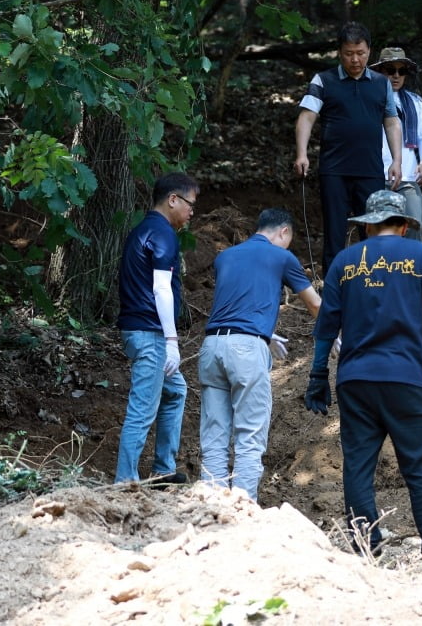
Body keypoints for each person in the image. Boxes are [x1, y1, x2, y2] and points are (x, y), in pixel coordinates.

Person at [304, 190, 422, 572]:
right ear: (405, 225)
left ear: (369, 225)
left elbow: (326, 328)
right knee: (420, 466)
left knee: (357, 464)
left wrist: (317, 375)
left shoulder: (344, 261)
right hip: (407, 378)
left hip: (355, 380)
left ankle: (364, 545)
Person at [198, 209, 321, 501]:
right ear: (284, 232)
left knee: (214, 438)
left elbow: (236, 302)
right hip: (246, 350)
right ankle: (242, 513)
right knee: (249, 438)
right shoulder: (283, 257)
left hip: (212, 346)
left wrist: (266, 333)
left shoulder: (225, 257)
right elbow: (316, 305)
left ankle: (211, 508)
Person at [294, 22, 403, 273]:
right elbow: (307, 117)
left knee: (374, 230)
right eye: (349, 53)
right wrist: (301, 153)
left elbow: (391, 121)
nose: (355, 59)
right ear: (339, 52)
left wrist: (396, 160)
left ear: (369, 51)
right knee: (334, 230)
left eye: (361, 53)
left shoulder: (381, 83)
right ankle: (334, 286)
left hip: (371, 169)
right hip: (334, 170)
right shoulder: (323, 80)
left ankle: (372, 281)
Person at [115, 172, 200, 485]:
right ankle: (124, 482)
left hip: (142, 331)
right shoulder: (162, 234)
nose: (192, 211)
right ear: (173, 199)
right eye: (190, 203)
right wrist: (172, 340)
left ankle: (163, 468)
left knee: (175, 390)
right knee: (143, 407)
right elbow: (161, 289)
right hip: (150, 334)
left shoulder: (144, 230)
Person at [373, 47, 422, 240]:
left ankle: (412, 267)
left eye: (401, 71)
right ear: (380, 71)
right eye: (390, 70)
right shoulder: (369, 98)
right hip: (374, 174)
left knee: (413, 223)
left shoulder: (415, 102)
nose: (396, 76)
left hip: (407, 176)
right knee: (379, 228)